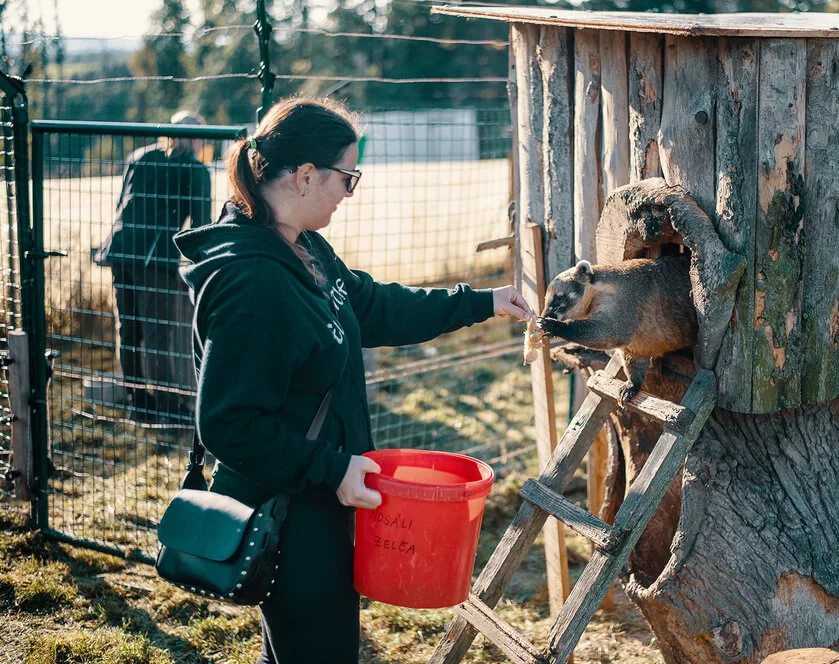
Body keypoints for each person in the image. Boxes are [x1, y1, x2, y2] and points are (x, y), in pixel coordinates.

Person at [171, 97, 531, 664]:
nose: (349, 191)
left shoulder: (301, 246)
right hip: (291, 513)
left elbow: (369, 305)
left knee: (297, 648)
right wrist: (333, 468)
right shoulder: (254, 286)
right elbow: (228, 424)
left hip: (318, 503)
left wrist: (480, 302)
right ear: (306, 175)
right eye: (348, 176)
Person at [95, 110, 212, 422]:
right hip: (154, 258)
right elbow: (201, 227)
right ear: (199, 138)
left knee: (129, 330)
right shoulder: (195, 169)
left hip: (119, 250)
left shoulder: (139, 157)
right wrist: (204, 267)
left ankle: (139, 404)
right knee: (158, 334)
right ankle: (168, 407)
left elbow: (123, 204)